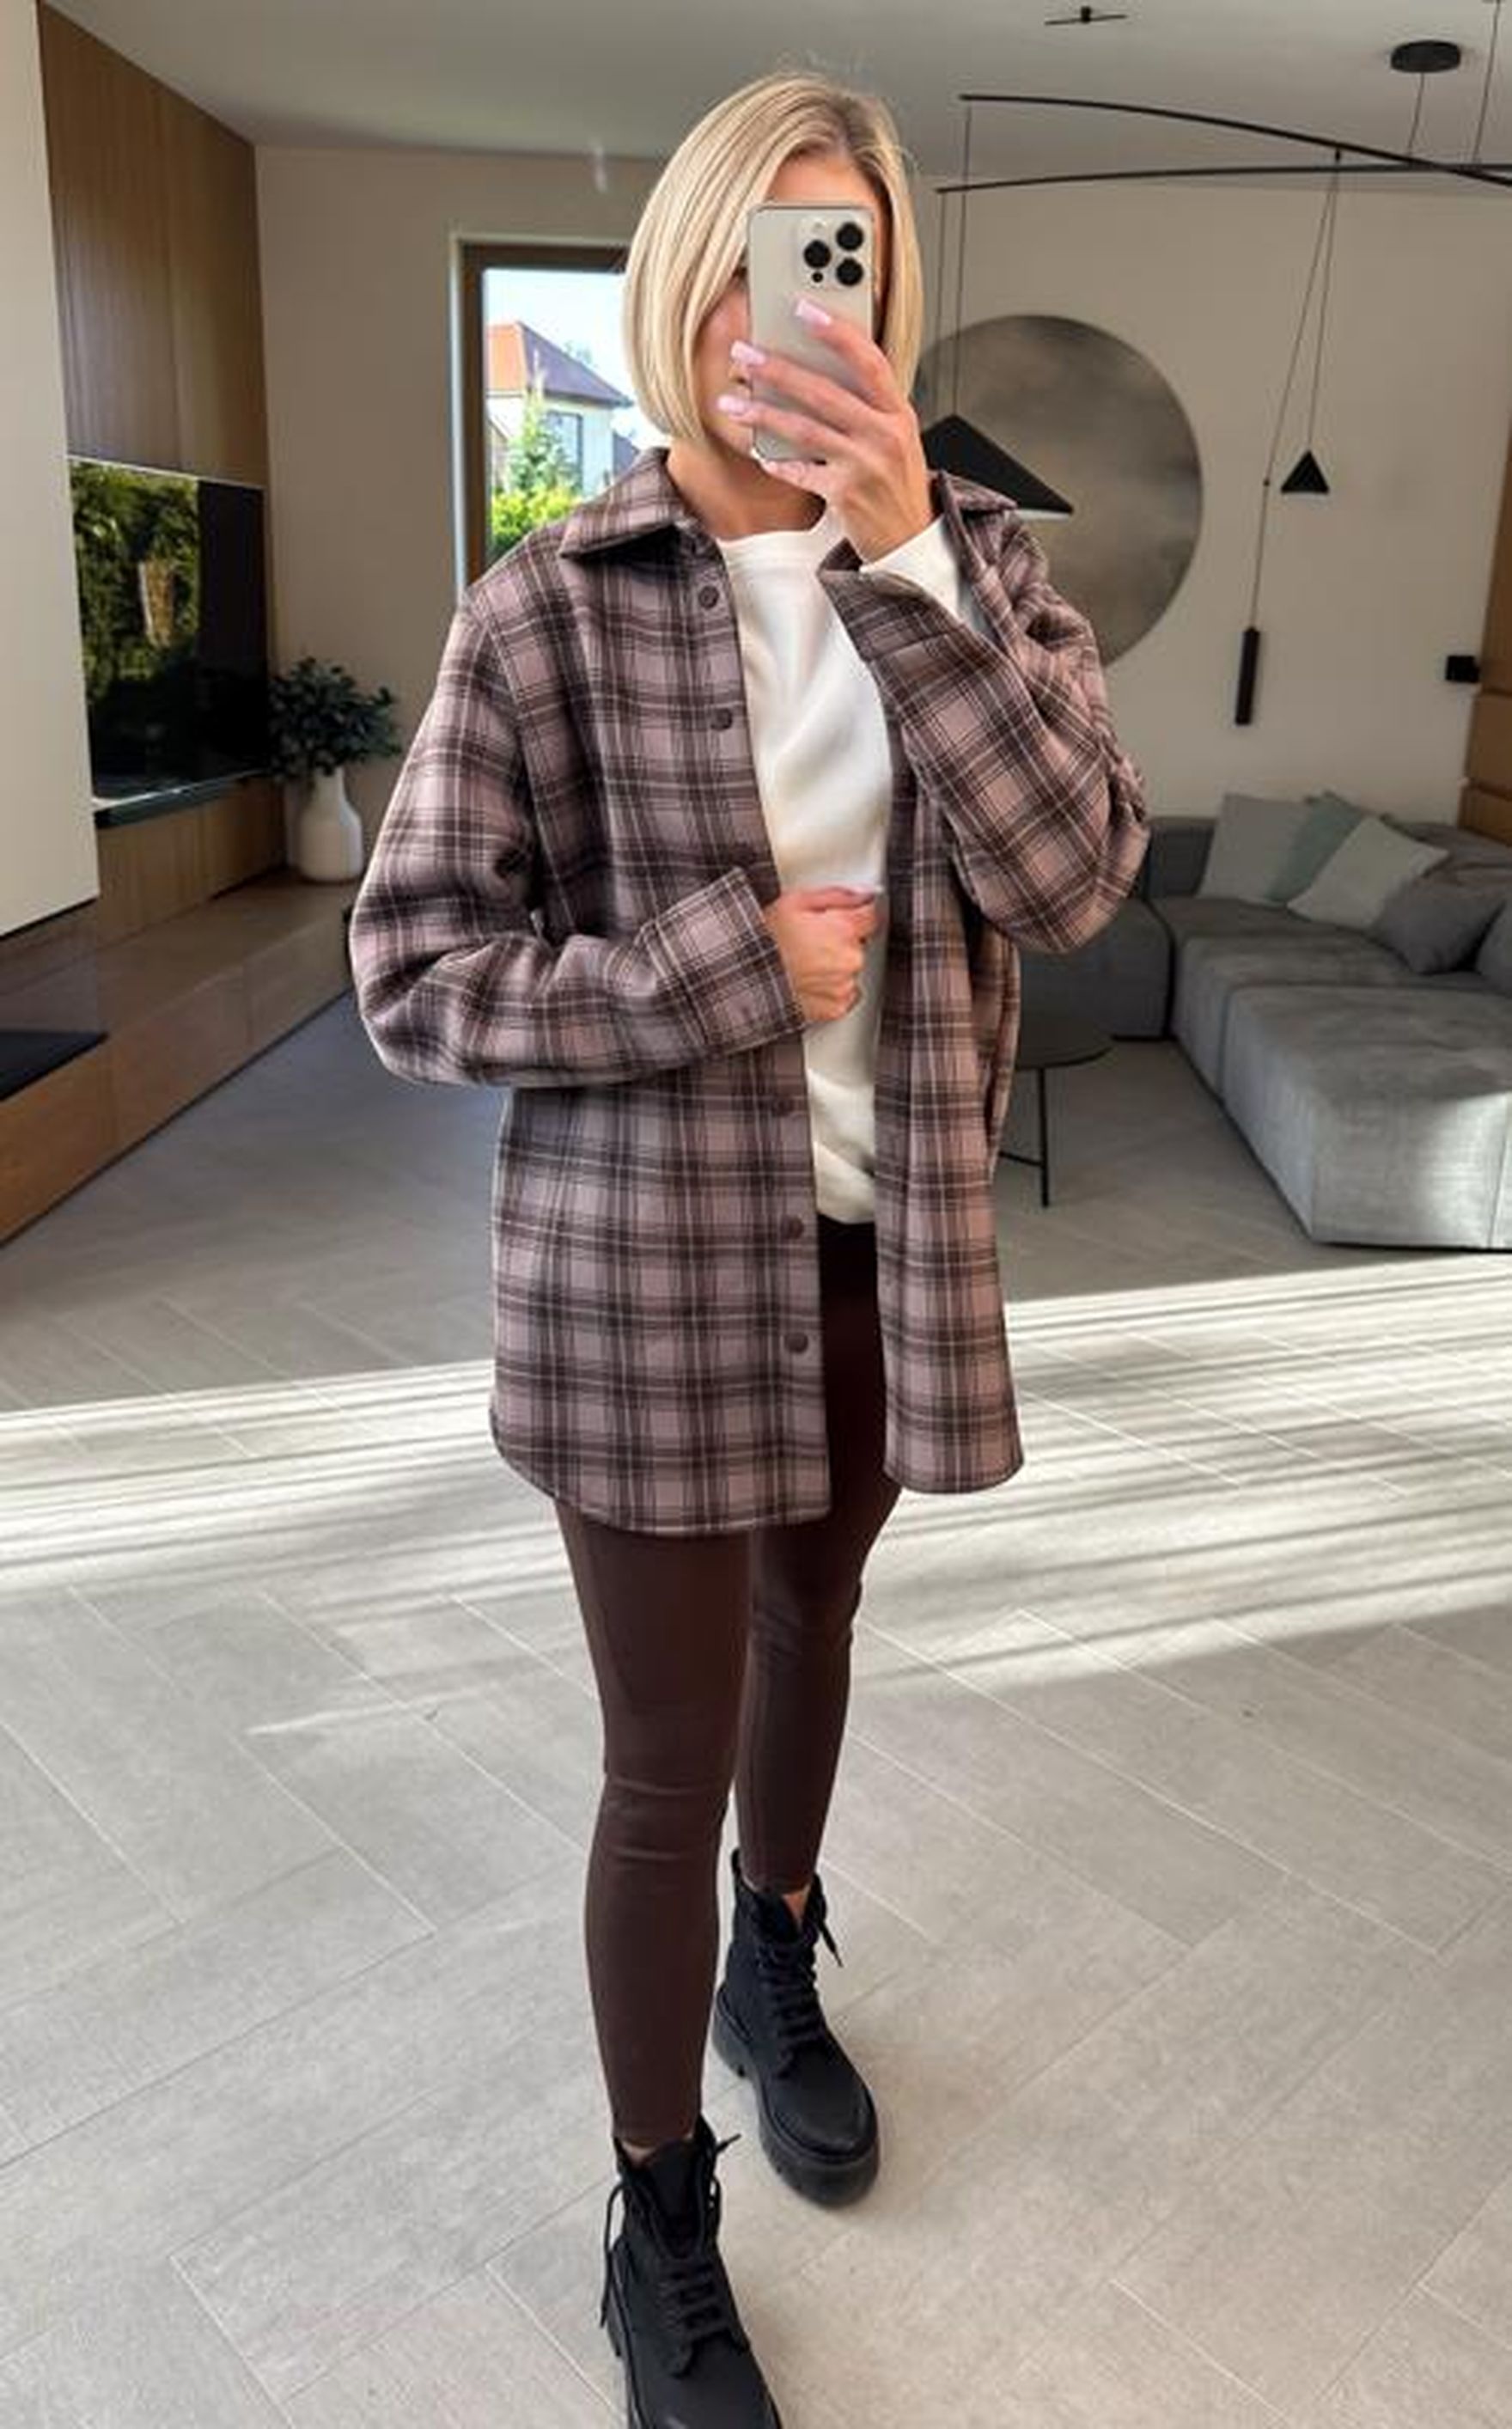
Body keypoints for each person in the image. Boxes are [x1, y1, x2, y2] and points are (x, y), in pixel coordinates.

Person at [348, 64, 1149, 2429]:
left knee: (821, 1624)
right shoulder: (545, 606)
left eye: (843, 262)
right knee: (658, 1760)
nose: (788, 312)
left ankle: (773, 1951)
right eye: (754, 260)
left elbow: (1070, 884)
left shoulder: (985, 576)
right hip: (645, 1284)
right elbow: (412, 976)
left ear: (883, 300)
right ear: (681, 281)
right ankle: (657, 2212)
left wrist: (913, 574)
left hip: (883, 1251)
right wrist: (720, 967)